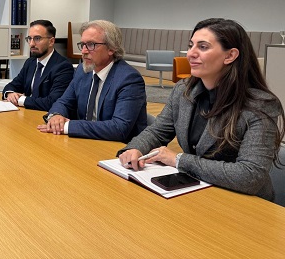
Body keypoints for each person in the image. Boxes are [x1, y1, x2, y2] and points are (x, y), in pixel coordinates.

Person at [118, 18, 285, 201]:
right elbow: (157, 132)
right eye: (191, 46)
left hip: (243, 203)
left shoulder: (260, 105)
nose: (191, 54)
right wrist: (135, 149)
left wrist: (179, 160)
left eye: (203, 47)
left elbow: (250, 175)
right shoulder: (183, 90)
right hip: (196, 191)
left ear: (230, 55)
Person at [38, 20, 147, 141]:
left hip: (118, 148)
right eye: (82, 45)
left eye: (91, 45)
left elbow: (119, 128)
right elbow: (63, 102)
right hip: (86, 141)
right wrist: (56, 116)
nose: (84, 51)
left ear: (111, 48)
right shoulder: (82, 71)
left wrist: (67, 126)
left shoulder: (129, 79)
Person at [3, 20, 74, 111]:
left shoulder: (63, 67)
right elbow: (13, 85)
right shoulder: (30, 62)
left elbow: (53, 102)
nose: (32, 44)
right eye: (29, 38)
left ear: (51, 41)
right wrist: (10, 94)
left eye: (37, 38)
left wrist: (21, 100)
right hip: (27, 113)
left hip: (46, 116)